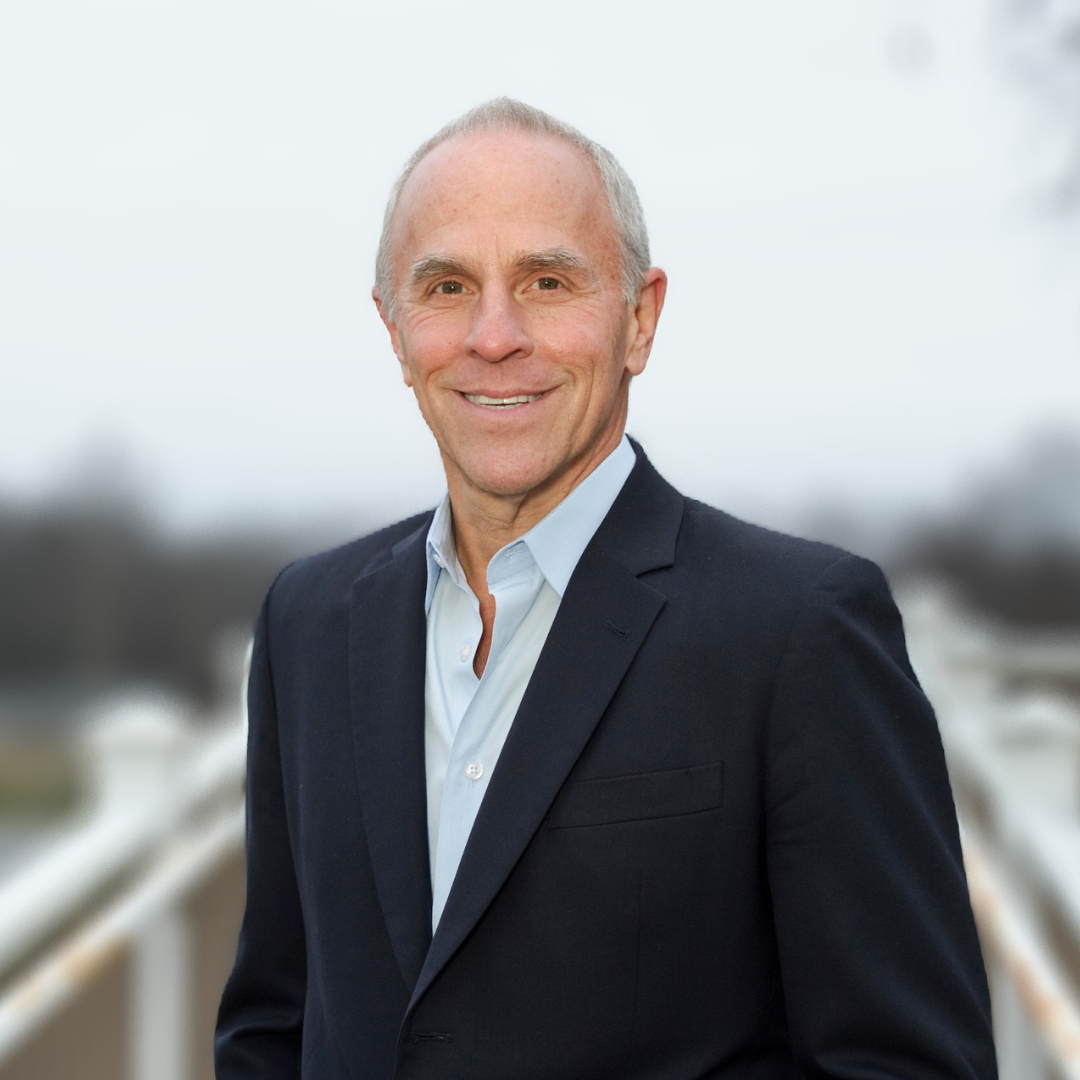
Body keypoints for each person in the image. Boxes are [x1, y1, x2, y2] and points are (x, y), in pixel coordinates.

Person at [215, 98, 997, 1079]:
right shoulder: (308, 622)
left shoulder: (800, 632)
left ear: (639, 318)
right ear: (394, 328)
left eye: (547, 282)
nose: (494, 336)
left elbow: (909, 1064)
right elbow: (273, 1026)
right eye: (448, 286)